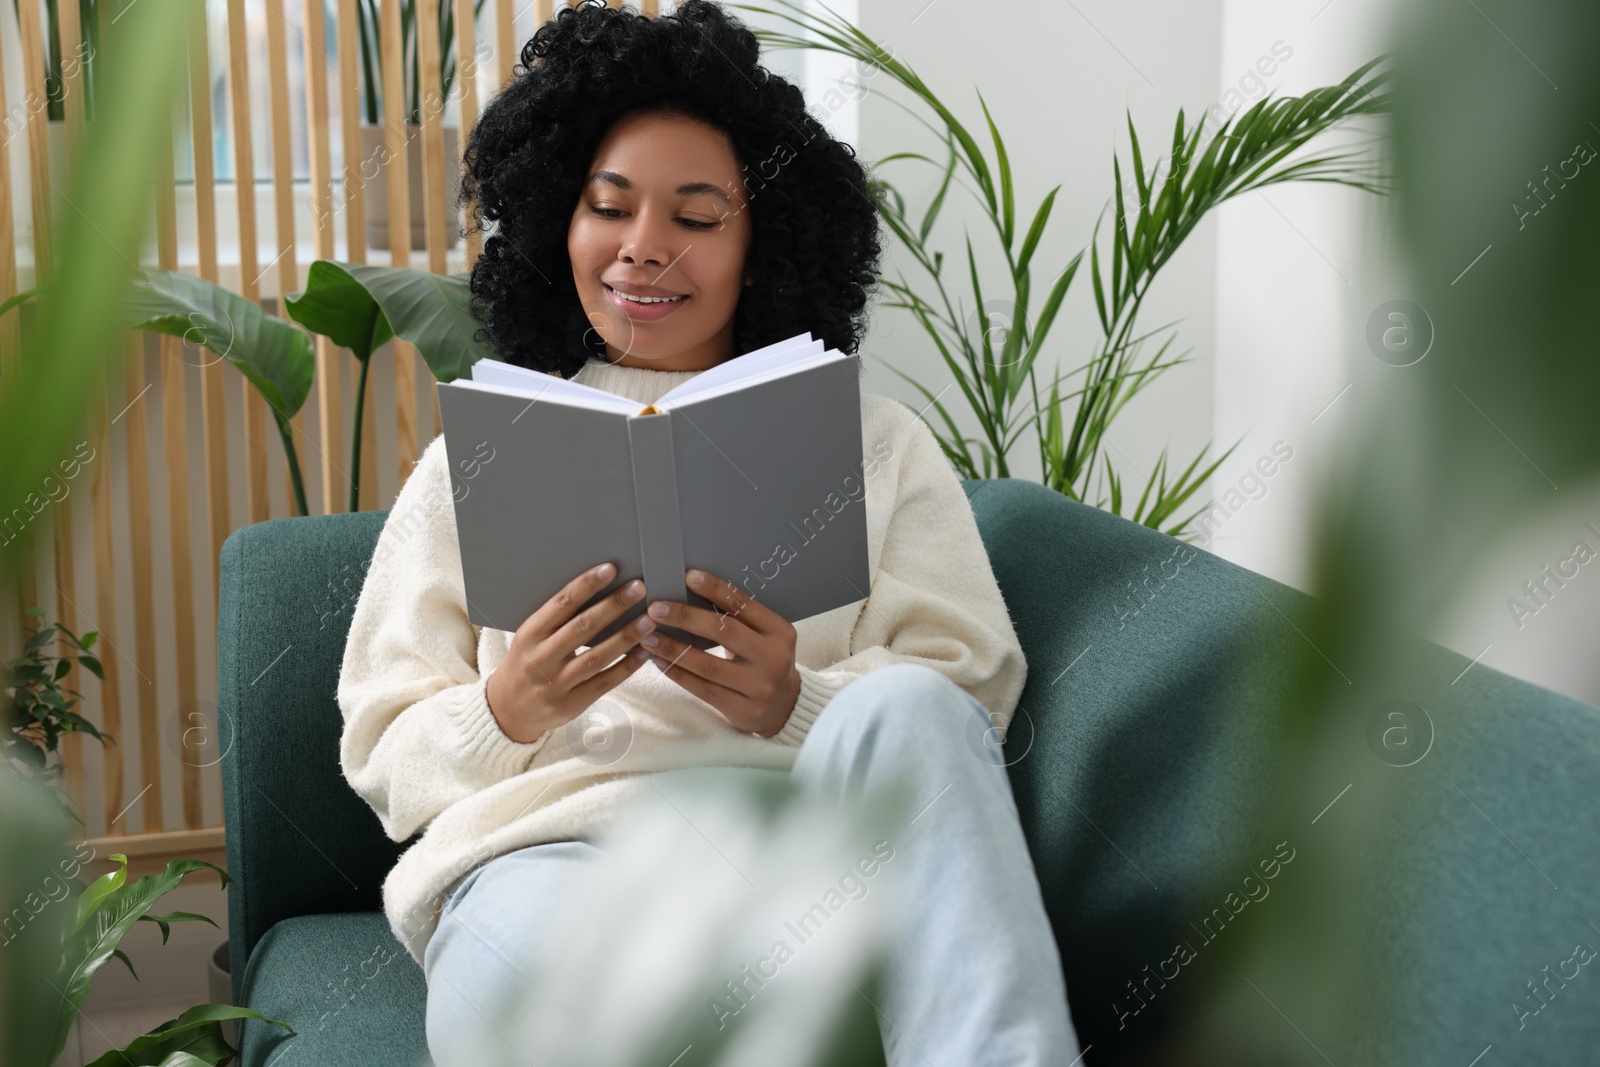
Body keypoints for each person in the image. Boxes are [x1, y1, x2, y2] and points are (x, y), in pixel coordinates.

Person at [335, 1, 1082, 1063]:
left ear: (759, 243)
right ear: (561, 219)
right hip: (546, 865)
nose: (643, 249)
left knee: (907, 702)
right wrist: (506, 708)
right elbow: (383, 747)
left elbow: (964, 706)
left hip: (807, 858)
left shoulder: (874, 442)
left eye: (695, 216)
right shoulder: (479, 451)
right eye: (609, 206)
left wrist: (799, 703)